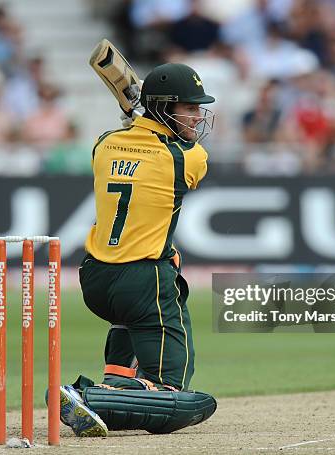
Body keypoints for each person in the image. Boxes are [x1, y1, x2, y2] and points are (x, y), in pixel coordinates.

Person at [50, 63, 218, 437]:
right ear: (163, 108)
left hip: (94, 277)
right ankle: (88, 396)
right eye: (188, 108)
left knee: (133, 316)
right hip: (142, 279)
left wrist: (139, 116)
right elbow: (189, 157)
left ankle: (115, 380)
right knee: (172, 388)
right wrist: (142, 115)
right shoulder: (187, 158)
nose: (196, 116)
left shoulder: (104, 143)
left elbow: (134, 147)